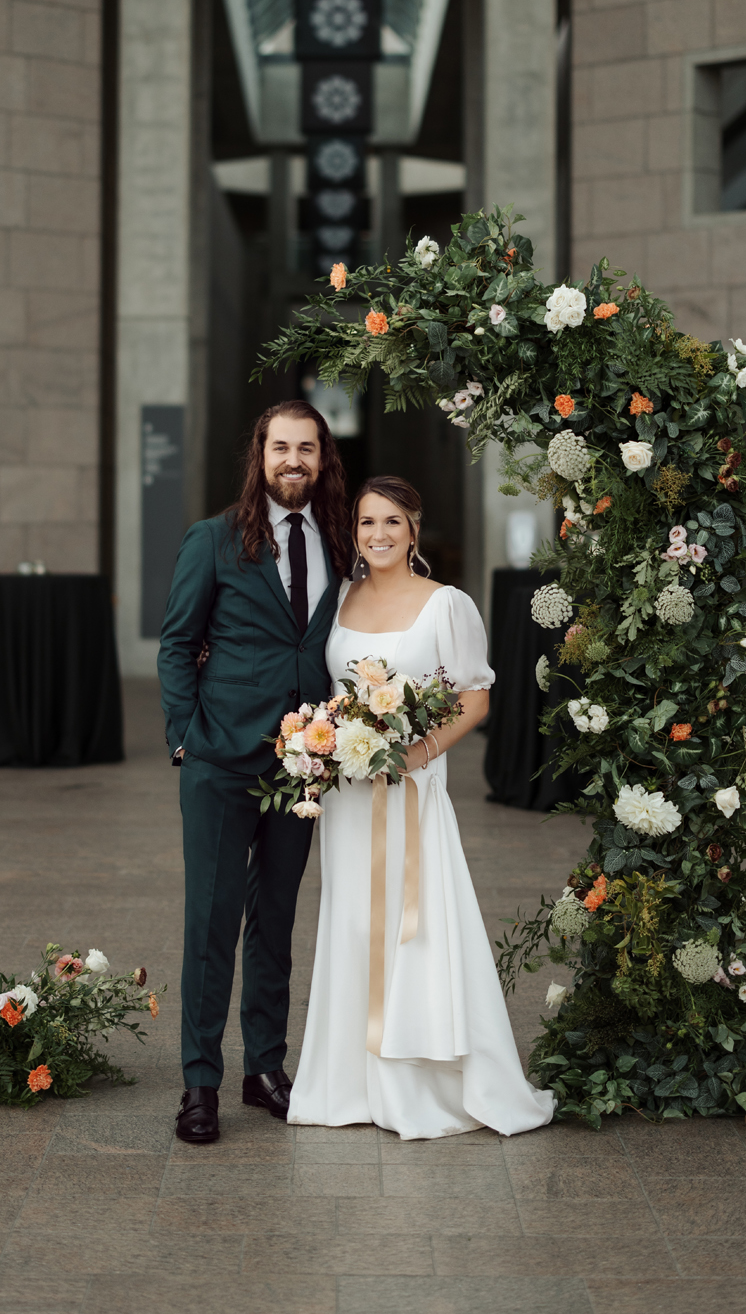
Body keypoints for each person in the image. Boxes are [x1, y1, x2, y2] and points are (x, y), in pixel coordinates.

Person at [288, 475, 555, 1140]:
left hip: (410, 790)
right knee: (351, 923)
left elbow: (476, 697)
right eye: (366, 522)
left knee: (419, 925)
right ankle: (346, 1082)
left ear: (414, 529)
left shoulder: (446, 605)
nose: (377, 534)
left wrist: (417, 750)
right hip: (349, 796)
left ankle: (425, 1081)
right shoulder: (340, 597)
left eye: (391, 522)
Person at [158, 400, 349, 1145]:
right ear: (260, 456)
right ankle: (199, 1081)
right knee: (210, 922)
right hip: (219, 760)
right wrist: (183, 737)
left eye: (307, 447)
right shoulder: (212, 539)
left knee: (275, 921)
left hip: (303, 767)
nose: (293, 459)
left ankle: (263, 1065)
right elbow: (177, 643)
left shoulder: (340, 541)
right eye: (281, 447)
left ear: (322, 458)